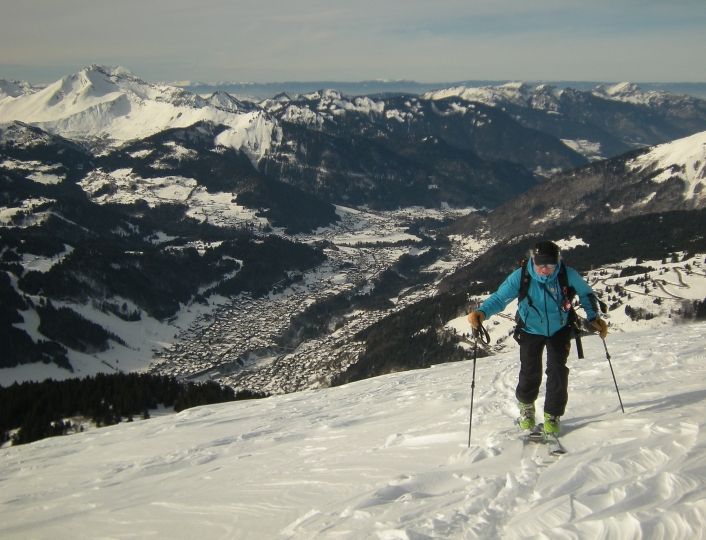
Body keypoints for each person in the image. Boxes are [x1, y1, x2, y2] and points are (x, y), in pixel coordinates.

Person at [467, 241, 607, 435]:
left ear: (557, 262)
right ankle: (526, 407)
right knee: (530, 370)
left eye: (550, 265)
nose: (545, 270)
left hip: (559, 329)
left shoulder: (567, 274)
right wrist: (482, 313)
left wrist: (594, 318)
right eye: (540, 264)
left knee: (558, 371)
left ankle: (553, 414)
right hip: (530, 329)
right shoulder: (522, 276)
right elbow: (500, 298)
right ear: (533, 260)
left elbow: (586, 294)